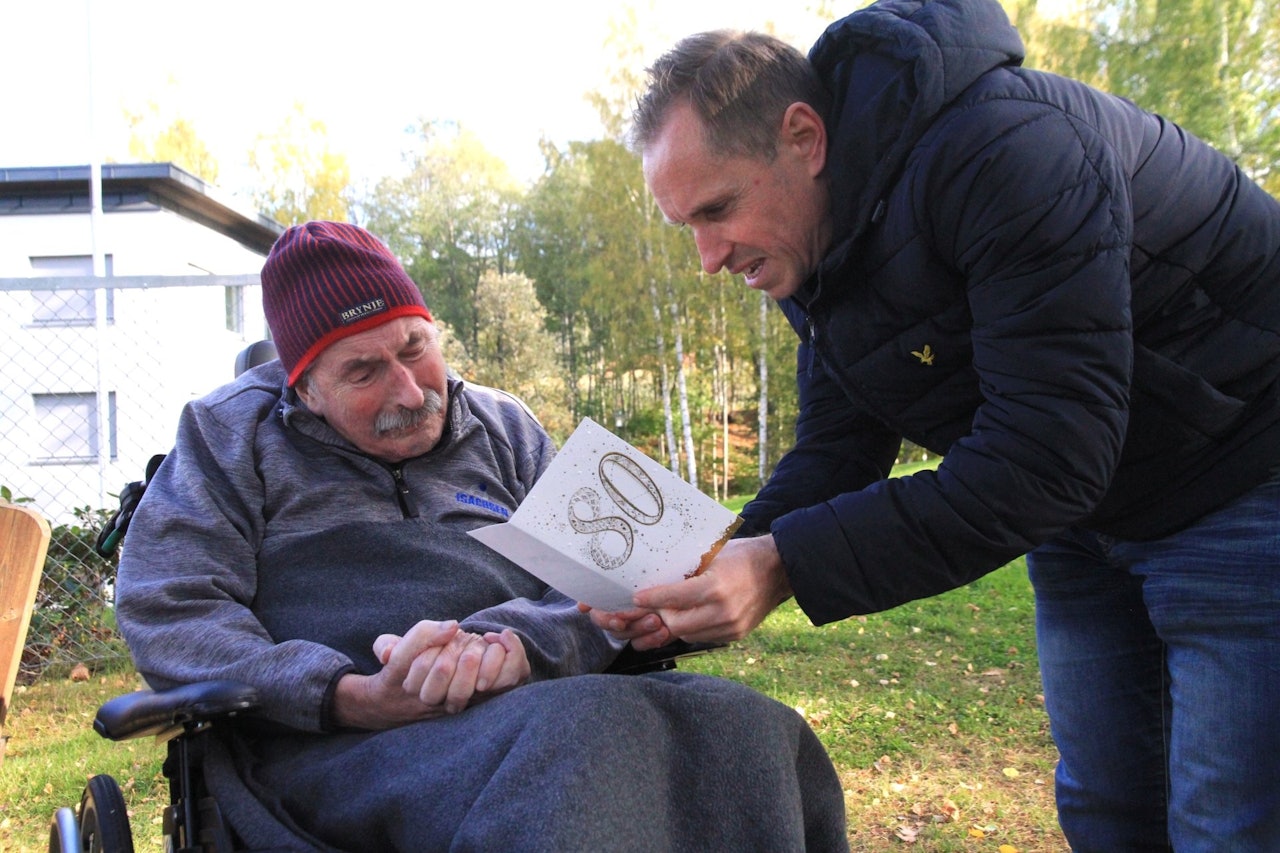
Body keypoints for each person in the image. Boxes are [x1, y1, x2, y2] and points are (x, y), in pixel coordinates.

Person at [590, 1, 1280, 850]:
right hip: (1083, 512)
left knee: (1231, 821)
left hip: (1244, 469)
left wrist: (781, 564)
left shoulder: (1010, 152)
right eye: (686, 225)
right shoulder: (816, 245)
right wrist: (709, 564)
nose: (708, 258)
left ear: (803, 138)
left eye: (717, 209)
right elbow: (842, 443)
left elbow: (1046, 456)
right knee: (1107, 803)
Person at [115, 221, 848, 852]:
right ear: (301, 388)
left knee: (749, 730)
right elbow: (170, 607)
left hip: (529, 699)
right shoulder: (226, 435)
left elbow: (625, 571)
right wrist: (346, 693)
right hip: (333, 747)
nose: (409, 391)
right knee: (583, 740)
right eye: (364, 371)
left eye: (414, 347)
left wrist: (517, 644)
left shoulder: (502, 424)